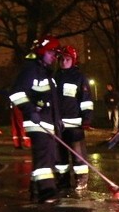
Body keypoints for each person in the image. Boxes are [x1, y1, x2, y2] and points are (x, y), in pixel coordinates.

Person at [9, 36, 62, 202]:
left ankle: (35, 189)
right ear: (42, 52)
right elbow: (16, 93)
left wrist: (58, 120)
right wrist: (30, 110)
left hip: (48, 122)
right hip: (36, 122)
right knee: (44, 157)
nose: (54, 56)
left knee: (47, 157)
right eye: (51, 52)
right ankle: (47, 191)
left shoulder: (46, 73)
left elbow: (51, 101)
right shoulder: (31, 70)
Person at [54, 45, 93, 191]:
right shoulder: (54, 78)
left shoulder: (79, 77)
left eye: (67, 59)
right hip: (57, 125)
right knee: (59, 158)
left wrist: (87, 118)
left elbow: (86, 100)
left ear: (73, 60)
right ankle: (62, 180)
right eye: (61, 59)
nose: (64, 62)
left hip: (75, 125)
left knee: (78, 157)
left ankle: (81, 180)